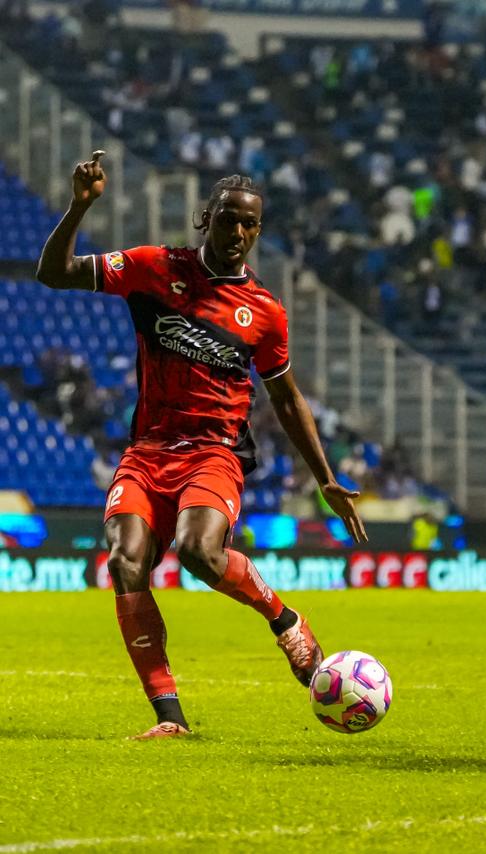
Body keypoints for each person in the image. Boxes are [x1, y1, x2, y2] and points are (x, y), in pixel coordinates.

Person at [36, 152, 368, 739]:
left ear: (257, 231)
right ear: (204, 218)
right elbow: (54, 273)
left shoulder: (263, 312)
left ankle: (284, 618)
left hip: (214, 452)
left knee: (198, 551)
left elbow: (287, 399)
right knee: (124, 560)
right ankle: (170, 719)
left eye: (248, 224)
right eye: (227, 220)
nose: (237, 233)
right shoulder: (153, 268)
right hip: (148, 451)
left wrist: (325, 477)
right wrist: (80, 207)